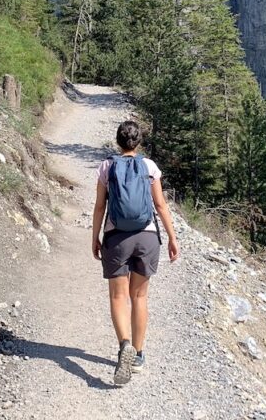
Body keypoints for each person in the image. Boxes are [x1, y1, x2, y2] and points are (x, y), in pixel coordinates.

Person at [91, 120, 179, 386]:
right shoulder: (149, 166)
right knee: (139, 296)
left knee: (119, 296)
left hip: (116, 237)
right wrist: (173, 238)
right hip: (147, 236)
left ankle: (124, 345)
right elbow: (161, 205)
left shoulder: (107, 166)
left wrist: (94, 237)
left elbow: (99, 207)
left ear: (117, 142)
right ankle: (139, 355)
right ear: (138, 143)